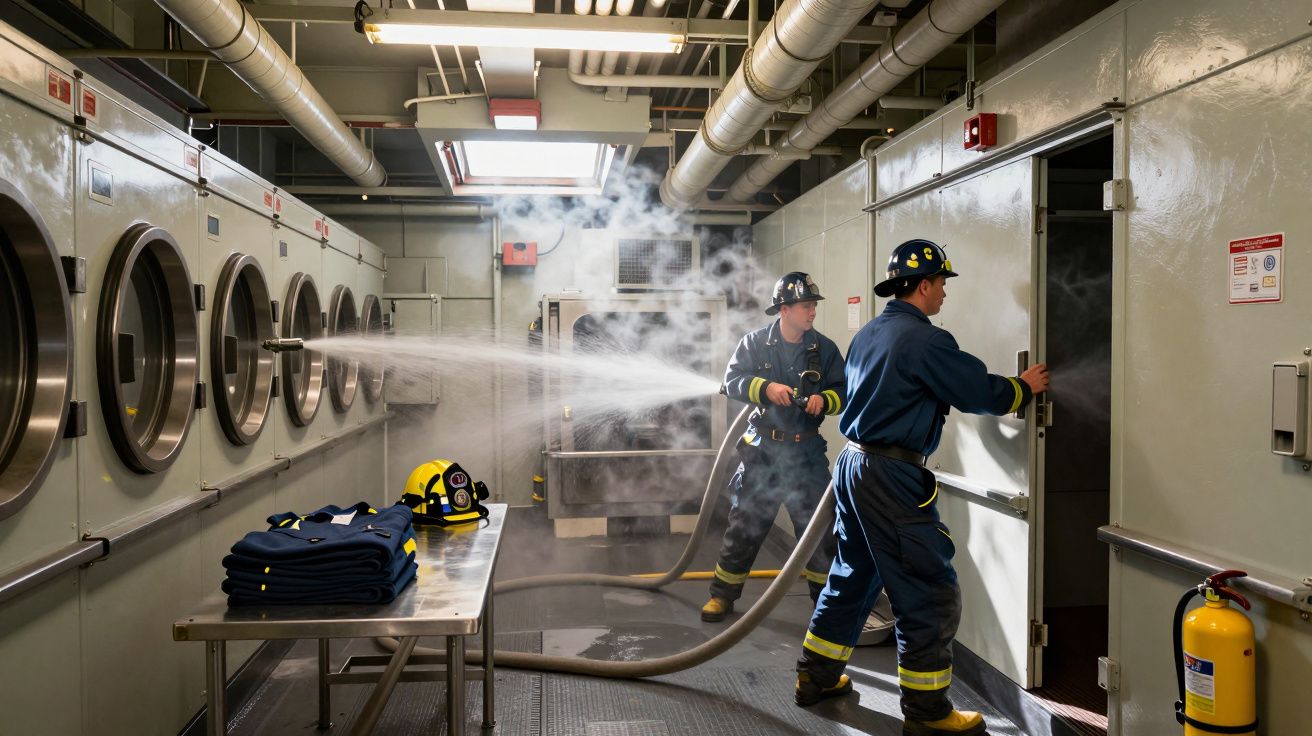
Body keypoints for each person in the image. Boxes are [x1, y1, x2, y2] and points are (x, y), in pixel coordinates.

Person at [793, 239, 1050, 736]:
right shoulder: (927, 340)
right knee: (929, 590)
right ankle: (928, 714)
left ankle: (815, 678)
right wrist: (1023, 387)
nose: (945, 295)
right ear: (925, 284)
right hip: (890, 474)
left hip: (854, 464)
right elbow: (978, 391)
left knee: (852, 576)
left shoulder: (870, 332)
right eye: (942, 285)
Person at [701, 272, 845, 623]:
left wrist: (823, 400)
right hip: (763, 453)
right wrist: (765, 389)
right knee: (745, 526)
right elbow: (731, 382)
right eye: (806, 306)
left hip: (806, 454)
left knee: (818, 533)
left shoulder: (824, 349)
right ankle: (722, 595)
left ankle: (824, 609)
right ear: (784, 309)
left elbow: (844, 393)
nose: (812, 312)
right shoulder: (754, 344)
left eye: (813, 306)